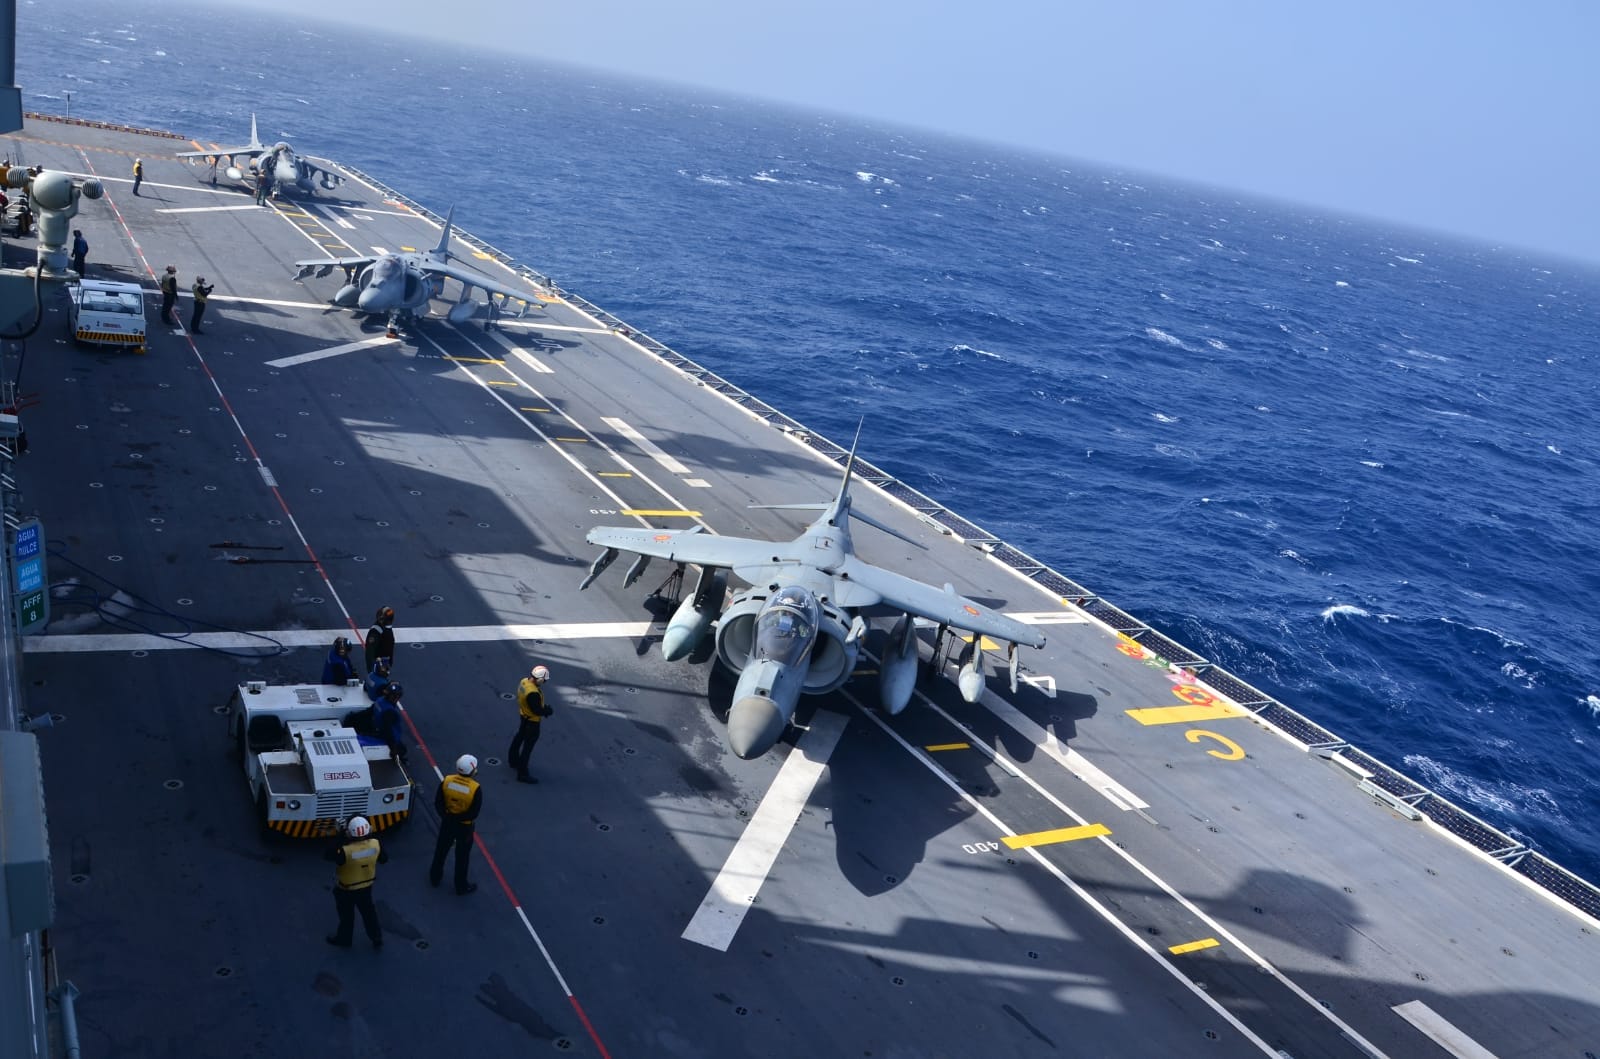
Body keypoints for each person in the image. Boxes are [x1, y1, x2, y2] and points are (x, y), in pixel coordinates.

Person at [325, 816, 386, 949]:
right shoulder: (376, 844)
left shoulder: (346, 851)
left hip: (346, 889)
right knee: (369, 913)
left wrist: (339, 836)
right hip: (366, 887)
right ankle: (376, 937)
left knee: (346, 917)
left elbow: (328, 855)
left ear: (349, 833)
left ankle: (344, 939)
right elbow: (383, 859)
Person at [429, 754, 481, 895]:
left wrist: (448, 817)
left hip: (447, 823)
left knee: (441, 851)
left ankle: (435, 877)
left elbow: (438, 803)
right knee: (462, 857)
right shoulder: (475, 788)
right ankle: (461, 886)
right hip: (464, 827)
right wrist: (459, 818)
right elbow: (474, 813)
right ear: (472, 770)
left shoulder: (447, 781)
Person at [507, 665, 553, 784]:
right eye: (544, 680)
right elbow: (536, 710)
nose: (544, 682)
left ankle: (513, 760)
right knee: (527, 748)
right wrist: (547, 711)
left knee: (519, 738)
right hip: (532, 723)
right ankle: (522, 773)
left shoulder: (524, 682)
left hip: (523, 716)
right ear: (540, 679)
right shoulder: (533, 693)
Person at [370, 683, 407, 764]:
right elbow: (388, 730)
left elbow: (370, 711)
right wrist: (393, 748)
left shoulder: (380, 700)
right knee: (403, 750)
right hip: (382, 733)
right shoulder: (389, 711)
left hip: (376, 726)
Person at [364, 606, 396, 675]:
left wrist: (389, 660)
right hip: (377, 665)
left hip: (384, 663)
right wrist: (371, 670)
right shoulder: (376, 631)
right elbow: (369, 652)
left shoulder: (387, 628)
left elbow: (389, 645)